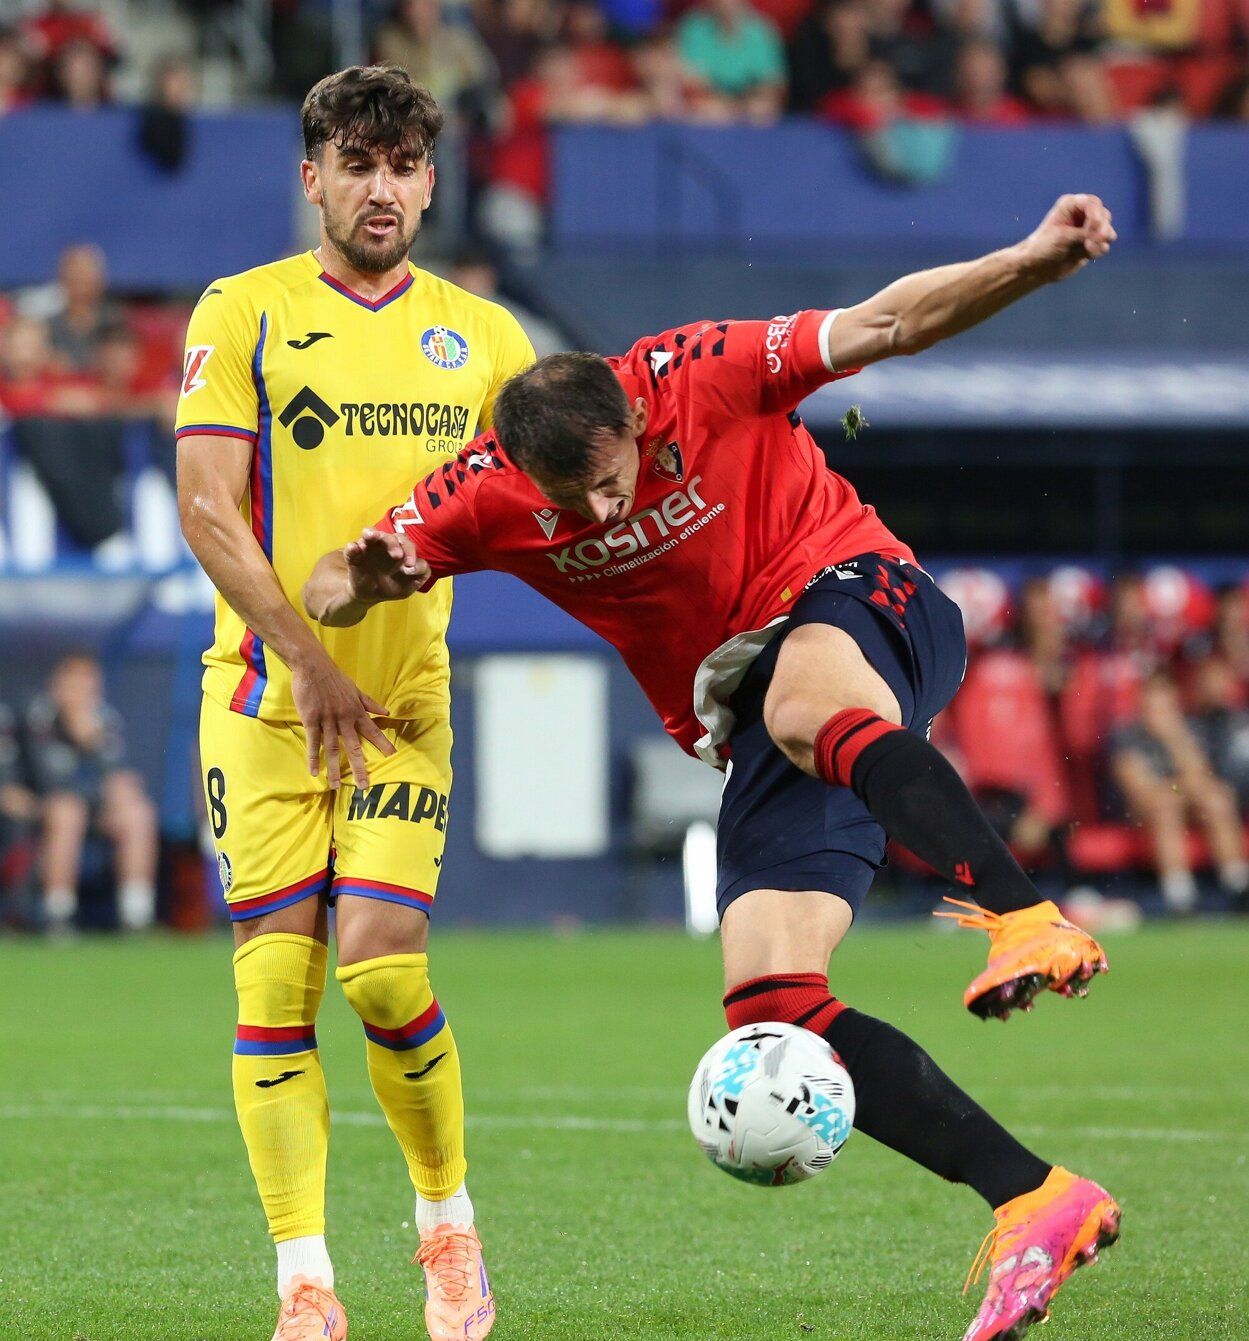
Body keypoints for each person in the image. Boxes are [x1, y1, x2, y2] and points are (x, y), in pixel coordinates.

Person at [307, 193, 1121, 1341]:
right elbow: (331, 588)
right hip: (755, 714)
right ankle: (1037, 1198)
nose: (600, 507)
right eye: (570, 500)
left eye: (612, 475)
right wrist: (376, 572)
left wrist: (1035, 262)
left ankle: (1026, 912)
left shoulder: (700, 370)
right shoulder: (480, 492)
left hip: (860, 597)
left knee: (800, 698)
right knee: (770, 1006)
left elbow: (885, 325)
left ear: (632, 413)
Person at [175, 64, 533, 1341]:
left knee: (382, 973)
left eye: (403, 167)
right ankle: (307, 1287)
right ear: (311, 175)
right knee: (273, 988)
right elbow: (207, 511)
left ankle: (448, 1227)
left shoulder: (489, 339)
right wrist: (307, 661)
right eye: (355, 163)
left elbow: (551, 516)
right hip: (265, 704)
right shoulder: (246, 314)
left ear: (431, 182)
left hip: (403, 710)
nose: (380, 189)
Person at [24, 653, 157, 931]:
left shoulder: (105, 719)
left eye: (90, 685)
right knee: (68, 812)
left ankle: (136, 914)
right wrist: (82, 739)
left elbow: (118, 773)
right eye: (75, 684)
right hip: (42, 806)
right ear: (58, 685)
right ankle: (57, 913)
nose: (83, 693)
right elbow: (49, 779)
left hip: (96, 807)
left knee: (137, 813)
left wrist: (117, 786)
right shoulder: (39, 718)